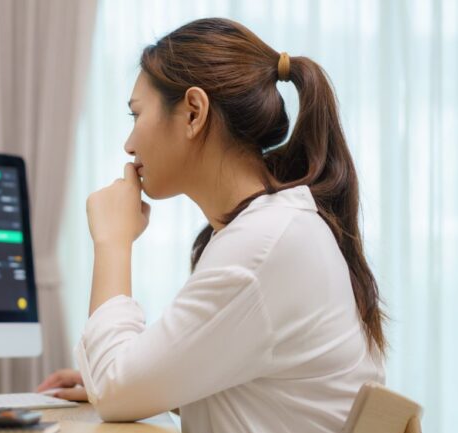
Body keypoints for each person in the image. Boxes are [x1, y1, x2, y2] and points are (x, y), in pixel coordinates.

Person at [37, 17, 386, 433]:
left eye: (136, 115)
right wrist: (141, 379)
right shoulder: (277, 230)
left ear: (193, 113)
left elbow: (114, 390)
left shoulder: (263, 245)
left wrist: (112, 241)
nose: (128, 145)